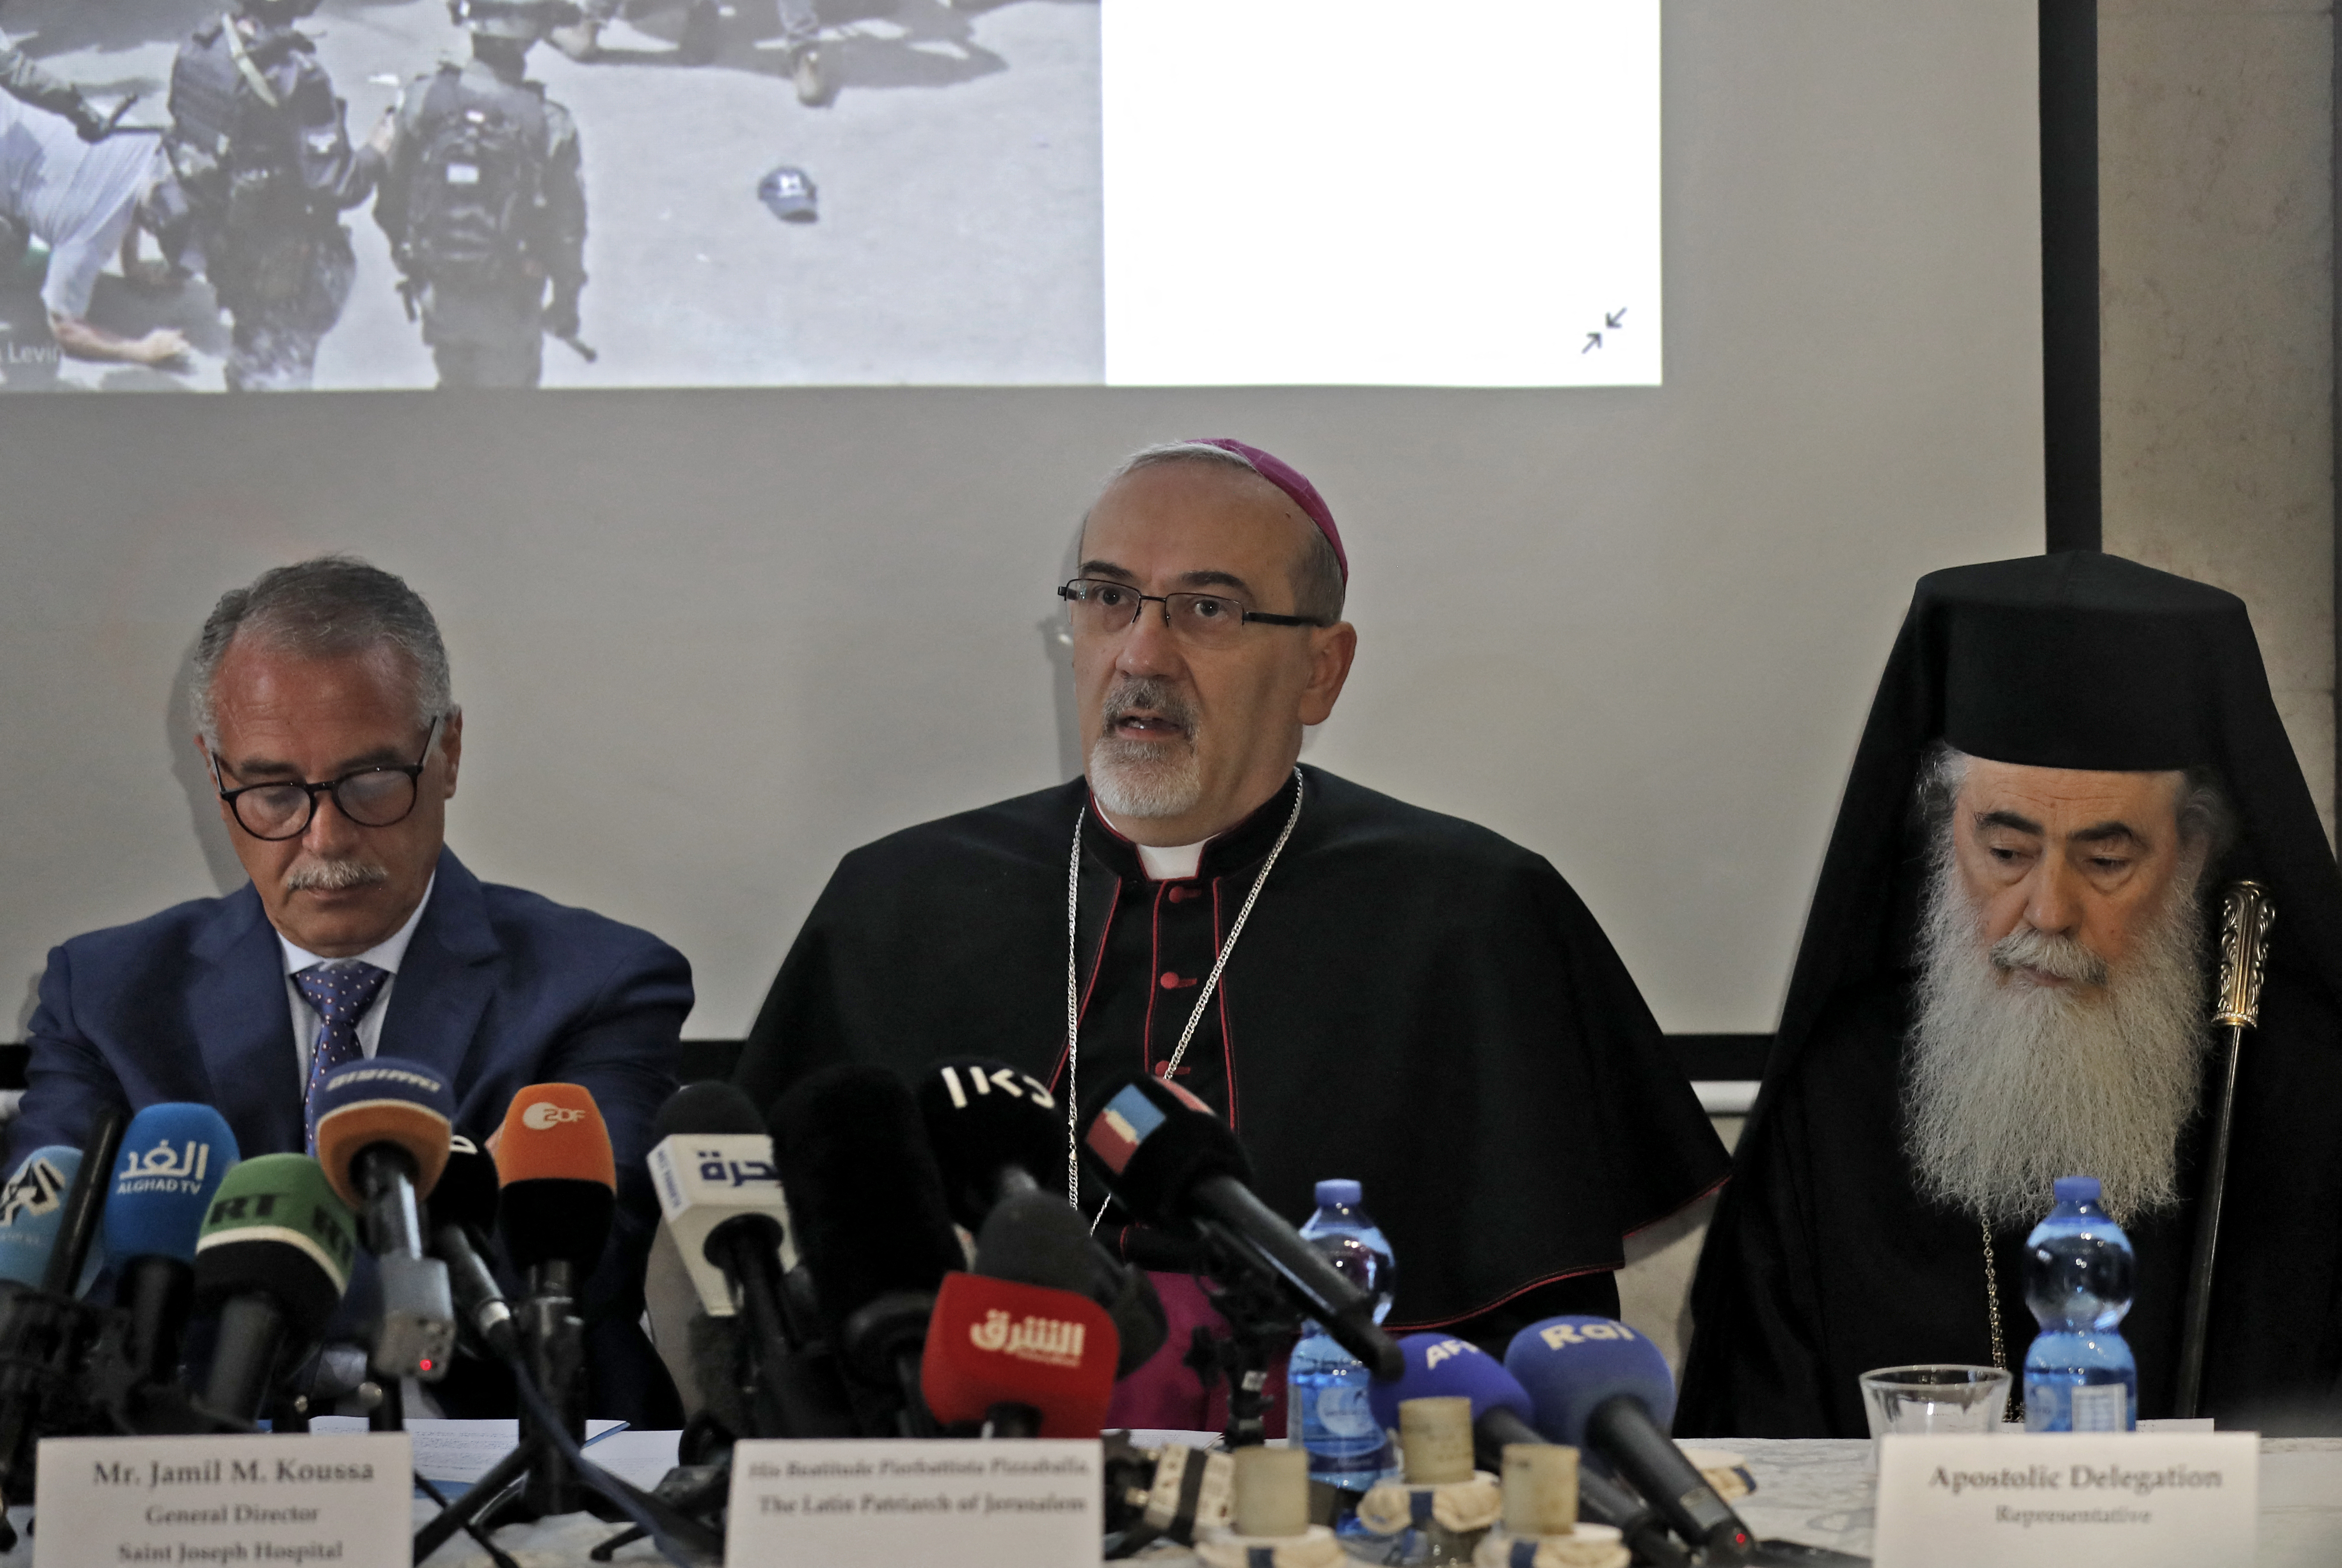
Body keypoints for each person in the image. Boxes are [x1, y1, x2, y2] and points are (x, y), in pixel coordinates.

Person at [736, 438, 1730, 1425]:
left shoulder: (1474, 914)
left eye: (1206, 609)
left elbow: (1539, 1351)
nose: (1139, 654)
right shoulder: (896, 901)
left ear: (1319, 671)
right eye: (1107, 597)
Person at [1677, 551, 2342, 1438]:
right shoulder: (1842, 1091)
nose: (2046, 910)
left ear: (2186, 853)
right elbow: (1758, 1456)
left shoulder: (2305, 1092)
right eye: (2003, 850)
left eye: (2105, 859)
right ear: (1943, 832)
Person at [13, 556, 692, 1424]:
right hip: (176, 1474)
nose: (324, 836)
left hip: (504, 1469)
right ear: (214, 775)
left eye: (371, 780)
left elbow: (564, 1266)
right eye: (271, 790)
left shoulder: (598, 982)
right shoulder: (106, 993)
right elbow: (50, 1271)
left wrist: (249, 1277)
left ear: (445, 752)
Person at [163, 0, 388, 390]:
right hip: (280, 267)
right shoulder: (298, 74)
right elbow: (337, 183)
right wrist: (378, 150)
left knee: (250, 347)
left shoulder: (201, 45)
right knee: (277, 381)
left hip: (222, 244)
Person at [374, 0, 586, 389]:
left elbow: (390, 202)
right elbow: (567, 231)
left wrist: (416, 263)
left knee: (454, 396)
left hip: (439, 299)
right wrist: (566, 300)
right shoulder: (550, 123)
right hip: (511, 304)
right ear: (532, 36)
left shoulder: (425, 100)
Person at [0, 93, 188, 365]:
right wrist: (139, 350)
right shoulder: (90, 236)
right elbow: (66, 329)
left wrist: (132, 265)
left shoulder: (142, 138)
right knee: (11, 243)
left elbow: (134, 189)